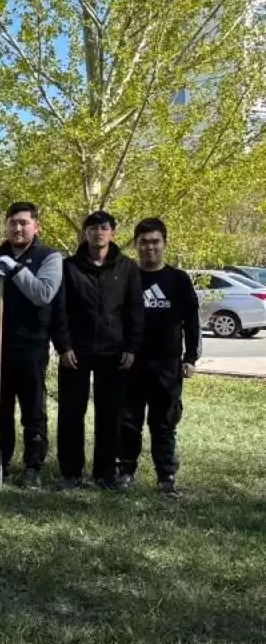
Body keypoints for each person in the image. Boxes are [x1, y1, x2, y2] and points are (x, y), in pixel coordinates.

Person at [0, 201, 65, 488]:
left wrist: (15, 271)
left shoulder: (49, 257)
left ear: (35, 226)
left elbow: (44, 293)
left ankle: (33, 465)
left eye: (24, 223)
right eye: (12, 222)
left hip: (32, 344)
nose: (17, 228)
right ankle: (0, 459)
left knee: (32, 407)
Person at [51, 210, 144, 490]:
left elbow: (135, 310)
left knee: (110, 414)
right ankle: (71, 473)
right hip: (75, 352)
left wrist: (131, 346)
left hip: (113, 352)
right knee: (71, 413)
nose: (98, 232)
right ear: (85, 233)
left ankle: (105, 474)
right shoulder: (69, 267)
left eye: (104, 228)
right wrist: (63, 346)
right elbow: (59, 310)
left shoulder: (127, 268)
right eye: (92, 228)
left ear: (113, 233)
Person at [118, 218, 201, 496]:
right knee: (128, 420)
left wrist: (190, 358)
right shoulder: (127, 275)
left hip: (167, 363)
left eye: (155, 241)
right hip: (131, 363)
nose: (149, 247)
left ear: (164, 243)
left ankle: (166, 477)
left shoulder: (177, 280)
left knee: (164, 422)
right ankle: (125, 472)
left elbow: (192, 322)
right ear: (136, 245)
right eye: (144, 242)